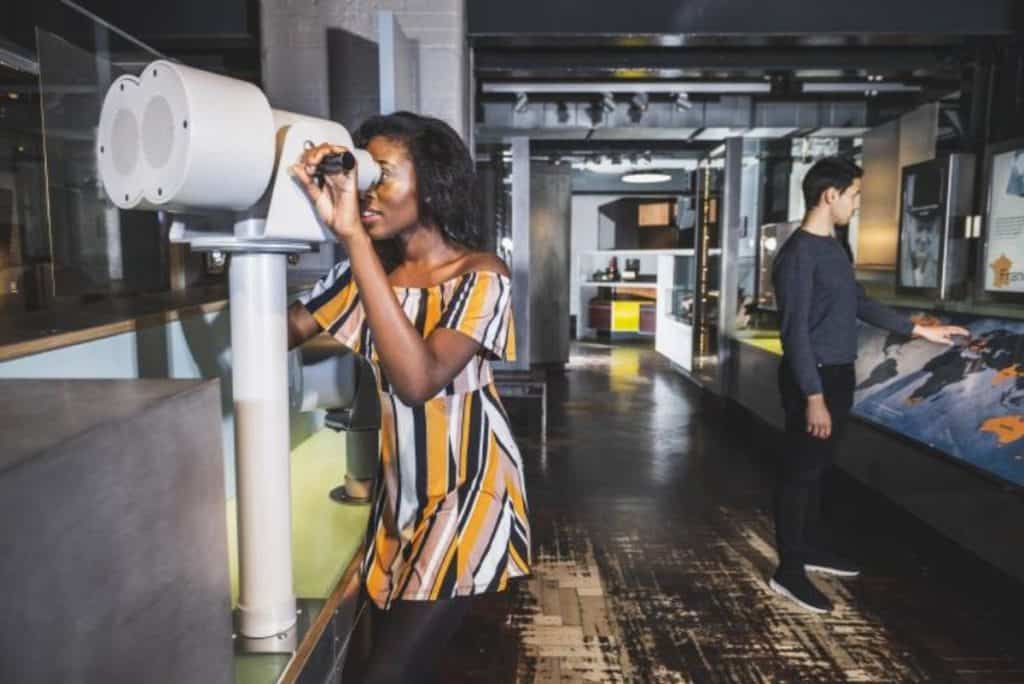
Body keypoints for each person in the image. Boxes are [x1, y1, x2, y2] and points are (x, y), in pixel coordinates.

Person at [286, 112, 531, 681]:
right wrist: (286, 206)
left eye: (384, 175)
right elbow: (272, 334)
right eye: (363, 174)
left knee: (386, 673)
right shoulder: (366, 274)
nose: (368, 193)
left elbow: (417, 380)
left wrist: (351, 238)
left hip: (471, 490)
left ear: (433, 183)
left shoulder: (480, 274)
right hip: (399, 500)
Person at [770, 157, 967, 614]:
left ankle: (809, 548)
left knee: (817, 469)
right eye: (855, 195)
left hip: (836, 373)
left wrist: (919, 330)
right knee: (800, 474)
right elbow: (794, 332)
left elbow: (860, 304)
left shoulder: (835, 248)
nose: (857, 205)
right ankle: (789, 570)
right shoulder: (798, 255)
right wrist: (813, 397)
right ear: (830, 195)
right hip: (812, 378)